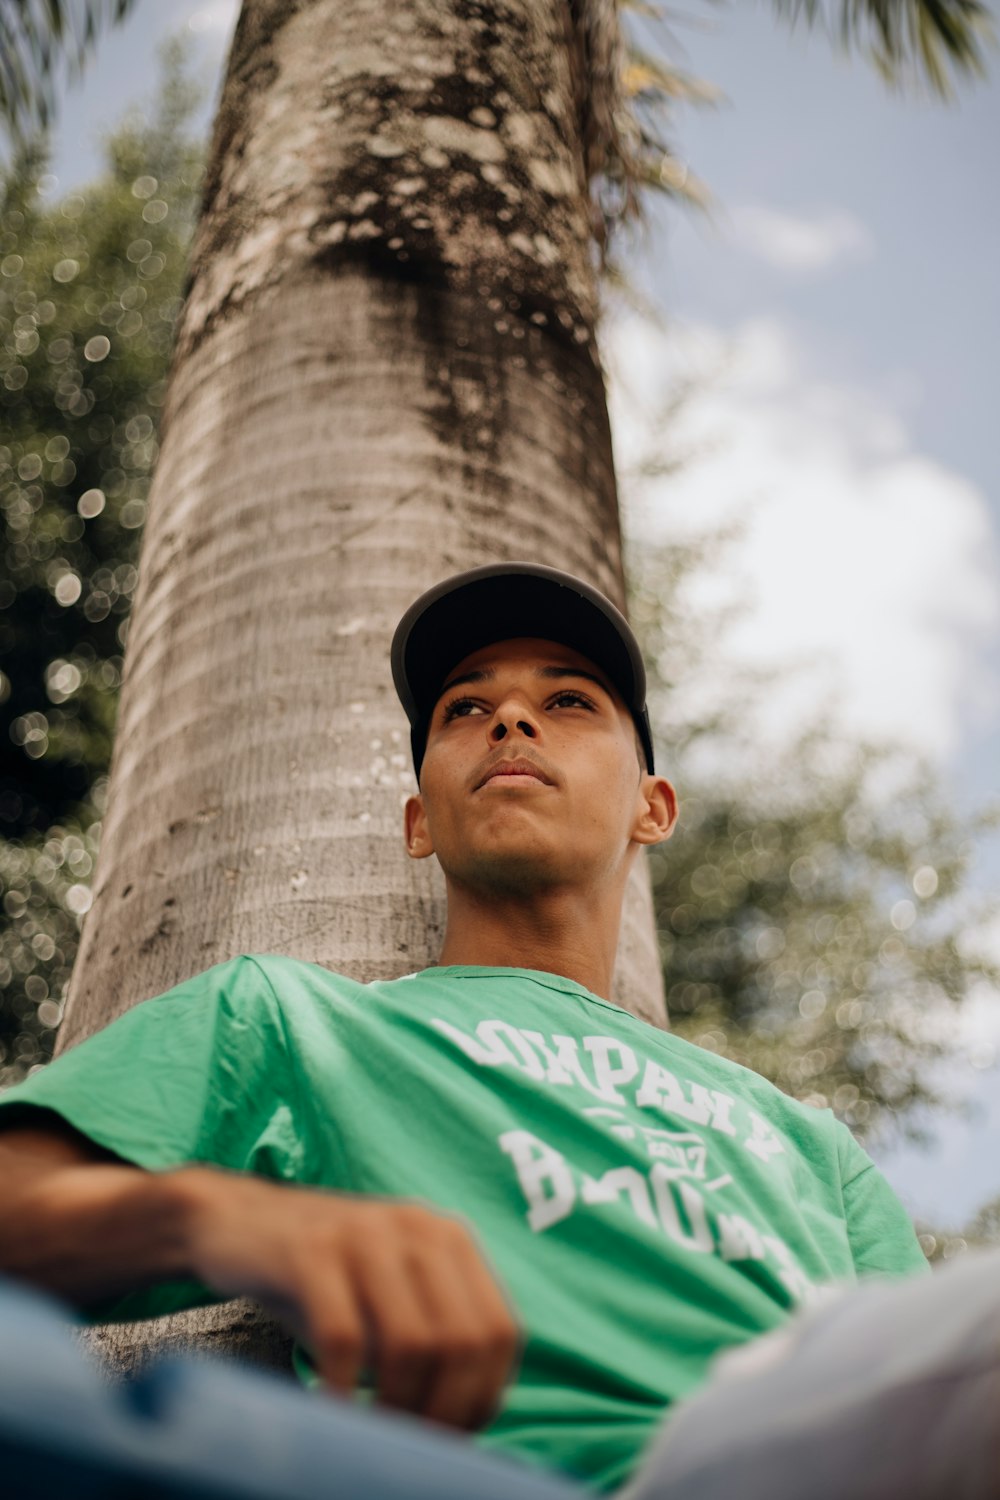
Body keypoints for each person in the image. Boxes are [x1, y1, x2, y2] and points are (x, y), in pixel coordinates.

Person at [0, 563, 994, 1500]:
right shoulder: (296, 1020)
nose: (509, 717)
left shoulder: (809, 1147)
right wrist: (218, 1223)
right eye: (462, 709)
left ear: (653, 808)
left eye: (568, 702)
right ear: (418, 820)